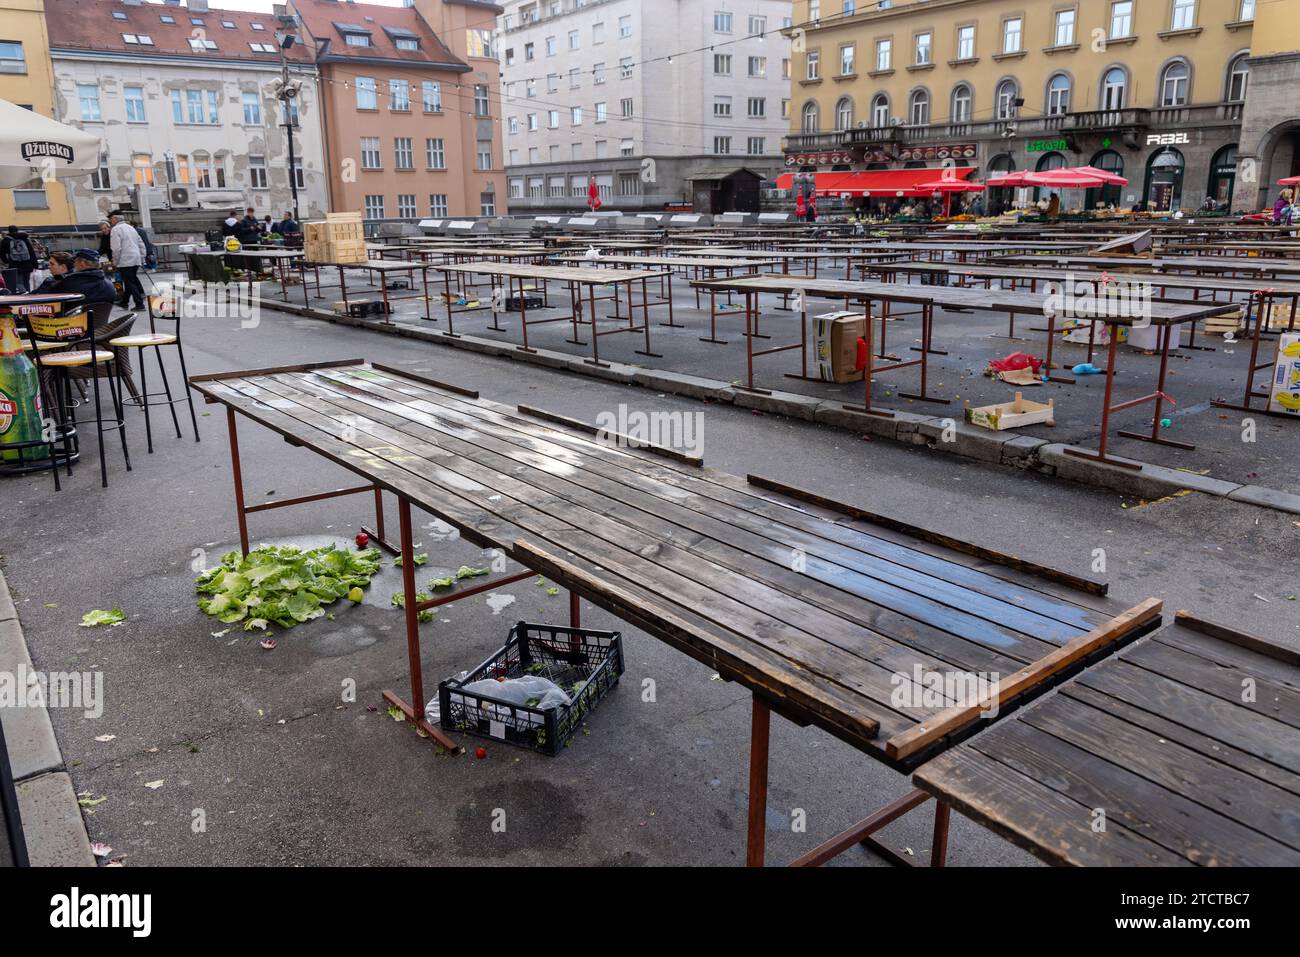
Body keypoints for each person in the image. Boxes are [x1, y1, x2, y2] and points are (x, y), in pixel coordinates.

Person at [36, 249, 117, 306]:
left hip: (70, 326)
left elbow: (48, 297)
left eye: (75, 261)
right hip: (101, 325)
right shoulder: (109, 284)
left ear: (82, 263)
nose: (73, 264)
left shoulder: (70, 282)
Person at [109, 211, 148, 310]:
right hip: (135, 258)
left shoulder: (115, 229)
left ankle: (139, 304)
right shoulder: (131, 228)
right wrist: (142, 257)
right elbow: (141, 244)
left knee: (130, 282)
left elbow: (116, 248)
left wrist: (115, 262)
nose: (110, 221)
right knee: (129, 280)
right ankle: (124, 301)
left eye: (111, 219)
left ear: (115, 218)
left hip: (125, 260)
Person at [1, 225, 38, 293]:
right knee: (26, 282)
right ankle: (28, 297)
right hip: (27, 264)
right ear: (17, 230)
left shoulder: (6, 240)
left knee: (19, 283)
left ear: (9, 231)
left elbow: (2, 253)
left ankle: (24, 297)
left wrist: (6, 261)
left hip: (14, 265)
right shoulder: (25, 238)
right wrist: (35, 265)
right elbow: (31, 252)